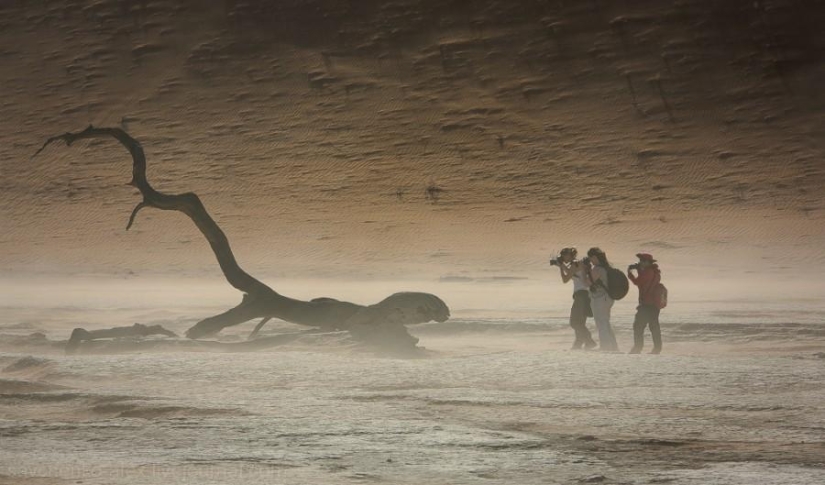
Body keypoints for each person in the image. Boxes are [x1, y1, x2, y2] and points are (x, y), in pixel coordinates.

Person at [553, 247, 597, 350]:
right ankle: (578, 345)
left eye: (565, 255)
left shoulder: (574, 264)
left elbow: (565, 279)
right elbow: (571, 272)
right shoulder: (579, 264)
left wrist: (560, 267)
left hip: (580, 296)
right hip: (587, 295)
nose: (563, 257)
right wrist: (562, 266)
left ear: (570, 255)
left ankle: (590, 341)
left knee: (574, 323)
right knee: (580, 323)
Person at [628, 253, 663, 354]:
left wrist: (629, 273)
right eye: (640, 261)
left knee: (638, 326)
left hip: (647, 305)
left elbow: (637, 282)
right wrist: (639, 269)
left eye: (643, 261)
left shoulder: (648, 272)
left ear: (648, 262)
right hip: (654, 305)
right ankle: (657, 348)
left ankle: (637, 348)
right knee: (654, 326)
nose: (640, 263)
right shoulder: (655, 272)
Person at [586, 247, 619, 351]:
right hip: (608, 298)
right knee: (605, 322)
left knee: (601, 322)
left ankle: (605, 346)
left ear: (595, 257)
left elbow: (587, 282)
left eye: (590, 258)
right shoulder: (607, 267)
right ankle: (613, 346)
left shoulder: (597, 269)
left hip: (600, 298)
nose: (590, 260)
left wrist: (584, 270)